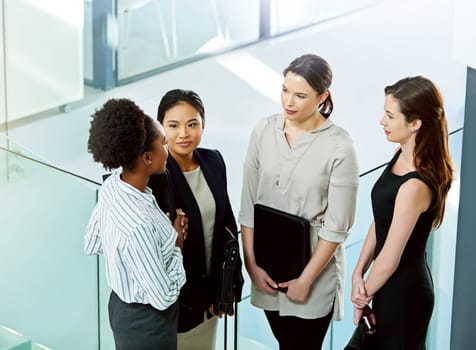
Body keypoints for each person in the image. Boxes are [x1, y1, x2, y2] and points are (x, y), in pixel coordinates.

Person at [239, 53, 360, 349]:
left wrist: (306, 280)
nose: (288, 102)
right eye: (285, 90)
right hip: (267, 265)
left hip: (314, 272)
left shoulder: (339, 146)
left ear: (322, 97)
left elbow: (338, 226)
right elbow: (248, 203)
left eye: (300, 95)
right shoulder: (263, 130)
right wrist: (252, 265)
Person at [351, 76, 454, 349]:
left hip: (405, 297)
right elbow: (382, 218)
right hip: (383, 286)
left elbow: (389, 260)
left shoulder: (415, 186)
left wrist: (362, 297)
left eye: (389, 115)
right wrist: (358, 272)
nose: (381, 121)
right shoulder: (400, 155)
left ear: (415, 124)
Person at [84, 98, 187, 350]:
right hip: (149, 324)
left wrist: (152, 245)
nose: (168, 148)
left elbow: (93, 242)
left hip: (120, 310)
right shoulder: (139, 225)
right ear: (147, 158)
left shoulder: (112, 187)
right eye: (163, 143)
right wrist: (176, 244)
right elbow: (162, 297)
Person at [156, 89, 243, 350]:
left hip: (211, 300)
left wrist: (224, 289)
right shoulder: (156, 176)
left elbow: (227, 224)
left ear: (203, 125)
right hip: (177, 304)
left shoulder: (213, 160)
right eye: (173, 126)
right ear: (161, 128)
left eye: (192, 124)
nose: (183, 133)